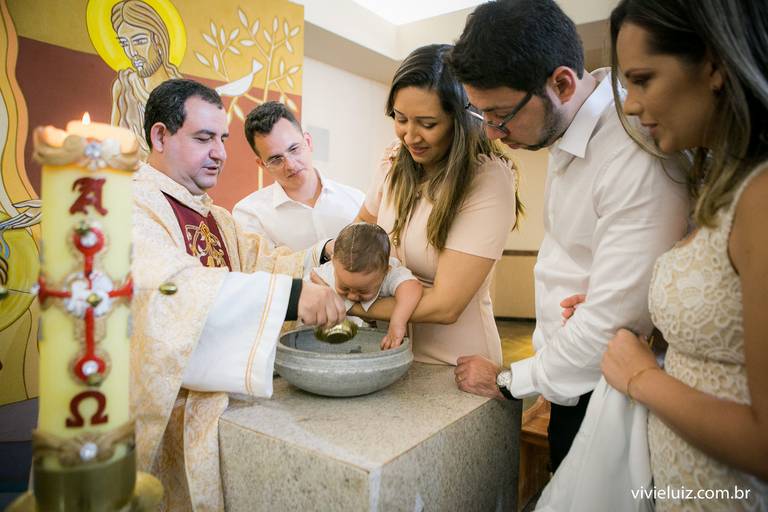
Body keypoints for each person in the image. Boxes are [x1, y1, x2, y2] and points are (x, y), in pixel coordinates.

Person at [447, 0, 689, 472]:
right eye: (483, 118)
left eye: (500, 115)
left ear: (561, 83)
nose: (494, 134)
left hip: (610, 391)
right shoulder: (568, 132)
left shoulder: (632, 152)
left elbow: (612, 321)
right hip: (572, 375)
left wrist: (510, 379)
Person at [130, 78, 345, 511]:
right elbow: (169, 290)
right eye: (204, 138)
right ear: (159, 136)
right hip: (163, 419)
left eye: (222, 139)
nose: (220, 153)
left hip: (214, 412)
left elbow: (263, 261)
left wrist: (324, 253)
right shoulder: (129, 204)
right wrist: (292, 295)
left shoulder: (214, 215)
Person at [595, 0, 767, 508]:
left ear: (714, 64)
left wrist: (642, 377)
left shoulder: (760, 197)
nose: (629, 105)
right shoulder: (722, 183)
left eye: (643, 80)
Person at [346, 44, 521, 366]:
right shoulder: (393, 161)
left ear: (461, 120)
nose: (410, 136)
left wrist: (347, 303)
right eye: (400, 119)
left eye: (427, 124)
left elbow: (445, 306)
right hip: (387, 352)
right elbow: (360, 234)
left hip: (455, 361)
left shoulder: (487, 179)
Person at [234, 101, 365, 251]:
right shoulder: (250, 214)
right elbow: (261, 270)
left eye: (294, 149)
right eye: (276, 159)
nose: (290, 165)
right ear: (262, 164)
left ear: (308, 142)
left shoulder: (357, 200)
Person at [310, 222, 422, 349]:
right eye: (344, 288)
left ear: (386, 271)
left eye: (362, 291)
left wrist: (397, 323)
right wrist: (327, 291)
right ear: (333, 261)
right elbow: (313, 277)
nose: (352, 296)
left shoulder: (388, 273)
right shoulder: (331, 269)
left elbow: (412, 287)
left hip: (376, 344)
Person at [110, 0, 182, 159]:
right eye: (124, 44)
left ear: (158, 40)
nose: (132, 53)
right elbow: (113, 145)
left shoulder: (183, 93)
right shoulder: (124, 87)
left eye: (139, 41)